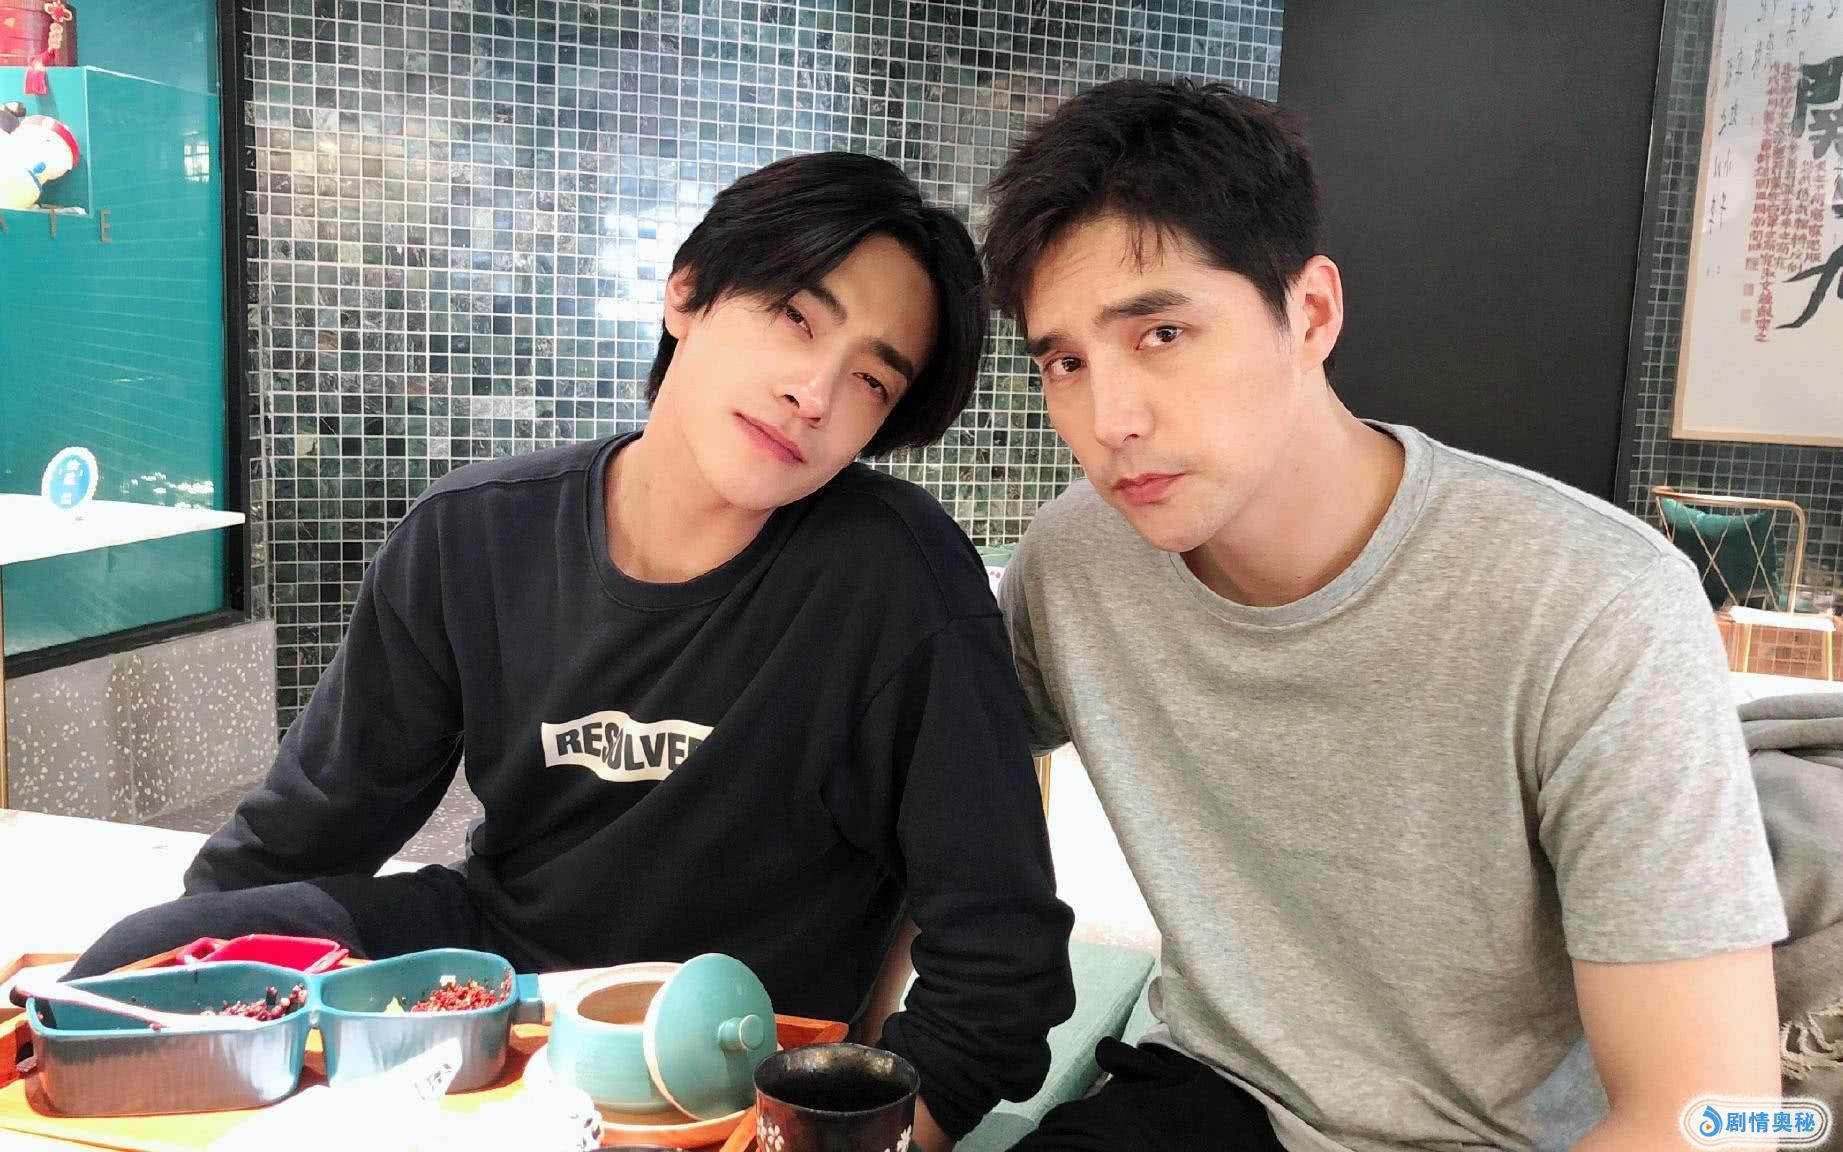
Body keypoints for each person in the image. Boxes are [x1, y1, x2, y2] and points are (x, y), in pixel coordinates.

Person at [70, 151, 1075, 1149]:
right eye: (794, 317)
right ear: (686, 292)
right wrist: (189, 998)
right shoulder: (472, 536)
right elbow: (307, 832)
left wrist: (857, 1136)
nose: (815, 393)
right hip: (502, 978)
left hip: (721, 1046)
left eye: (870, 379)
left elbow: (1001, 962)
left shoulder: (894, 578)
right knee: (140, 955)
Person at [985, 78, 1786, 1152]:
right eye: (1065, 362)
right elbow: (927, 783)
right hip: (1207, 1094)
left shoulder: (1593, 602)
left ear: (1310, 313)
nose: (1109, 418)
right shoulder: (1078, 559)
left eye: (1163, 332)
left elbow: (1712, 1114)